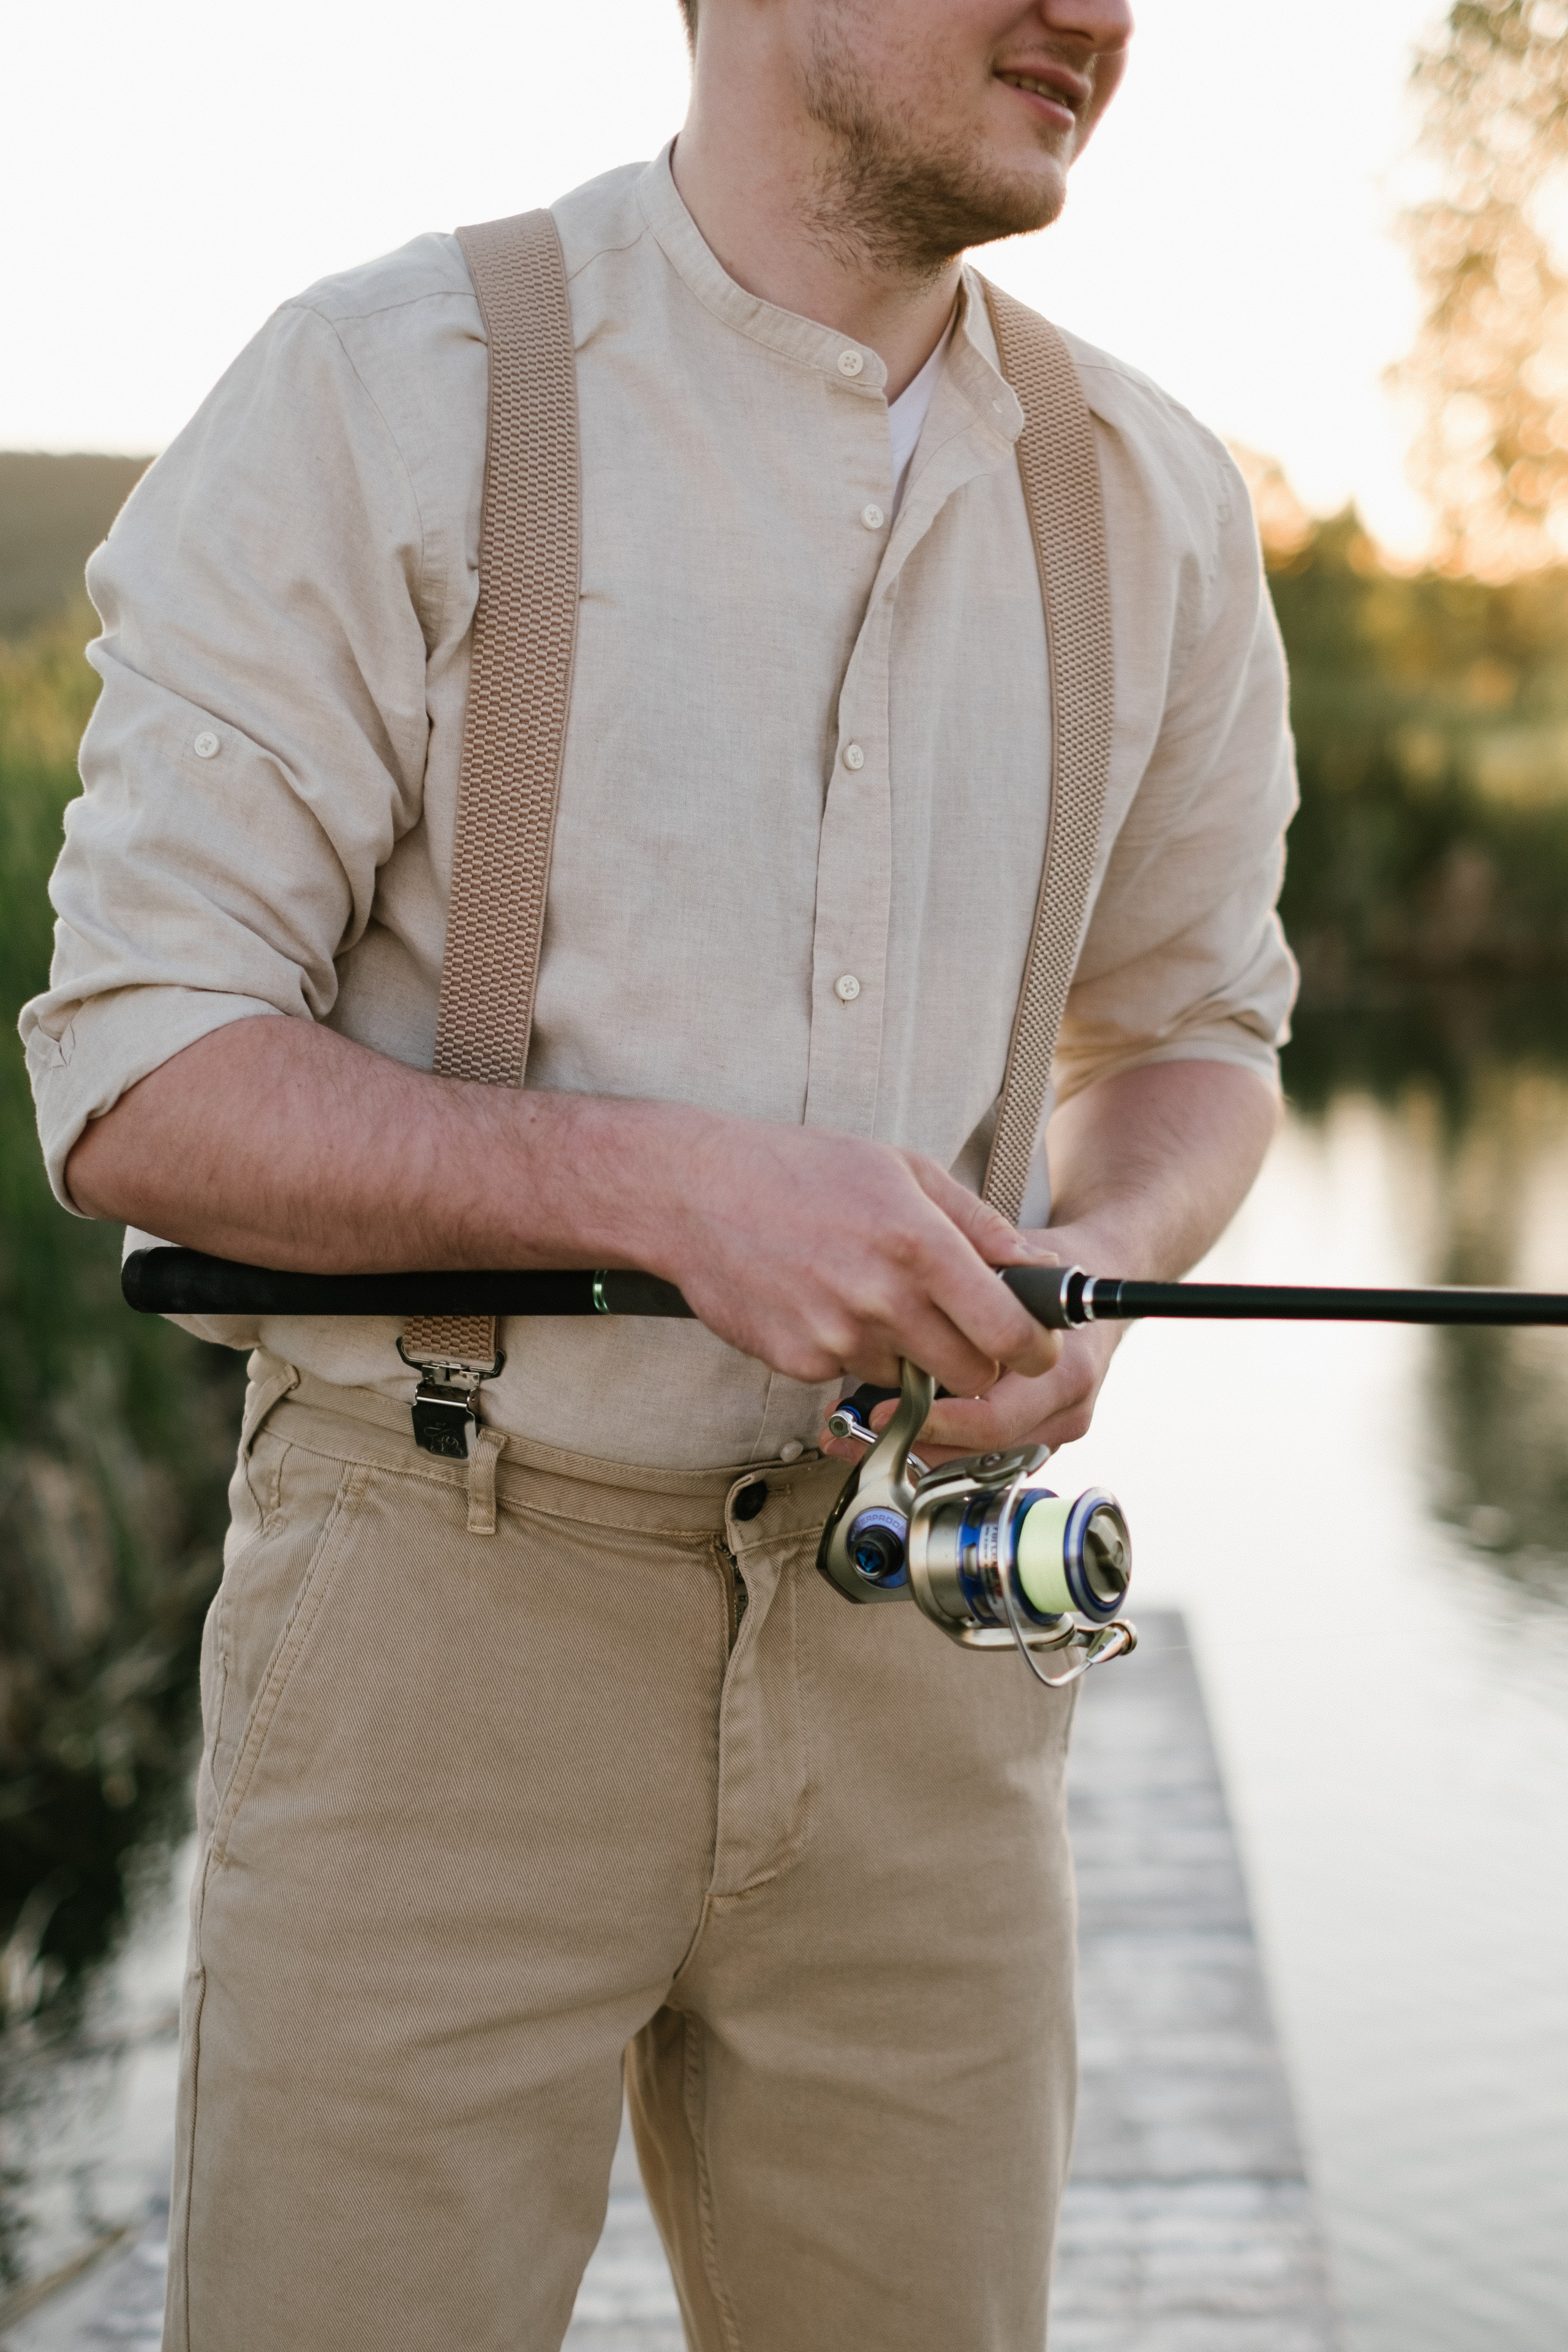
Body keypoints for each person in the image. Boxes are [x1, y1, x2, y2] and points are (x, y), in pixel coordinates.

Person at [22, 2, 1296, 2346]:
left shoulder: (1154, 490)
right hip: (435, 1629)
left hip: (929, 1673)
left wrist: (1107, 1256)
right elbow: (137, 1076)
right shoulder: (373, 388)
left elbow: (1201, 1034)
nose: (1100, 11)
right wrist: (670, 1192)